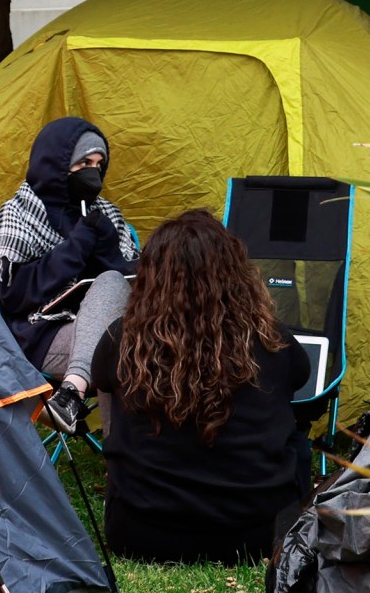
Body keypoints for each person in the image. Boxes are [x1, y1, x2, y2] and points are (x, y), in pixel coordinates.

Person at [89, 210, 313, 565]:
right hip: (260, 533)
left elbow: (100, 380)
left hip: (139, 534)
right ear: (236, 275)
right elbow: (302, 379)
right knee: (299, 437)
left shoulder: (122, 339)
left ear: (149, 277)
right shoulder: (272, 340)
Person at [0, 116, 139, 434]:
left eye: (98, 164)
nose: (92, 173)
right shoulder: (19, 214)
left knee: (130, 324)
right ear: (56, 164)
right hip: (43, 331)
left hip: (118, 325)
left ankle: (71, 393)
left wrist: (107, 249)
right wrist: (75, 248)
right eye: (83, 163)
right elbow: (13, 296)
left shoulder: (106, 213)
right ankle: (124, 462)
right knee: (123, 350)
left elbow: (138, 284)